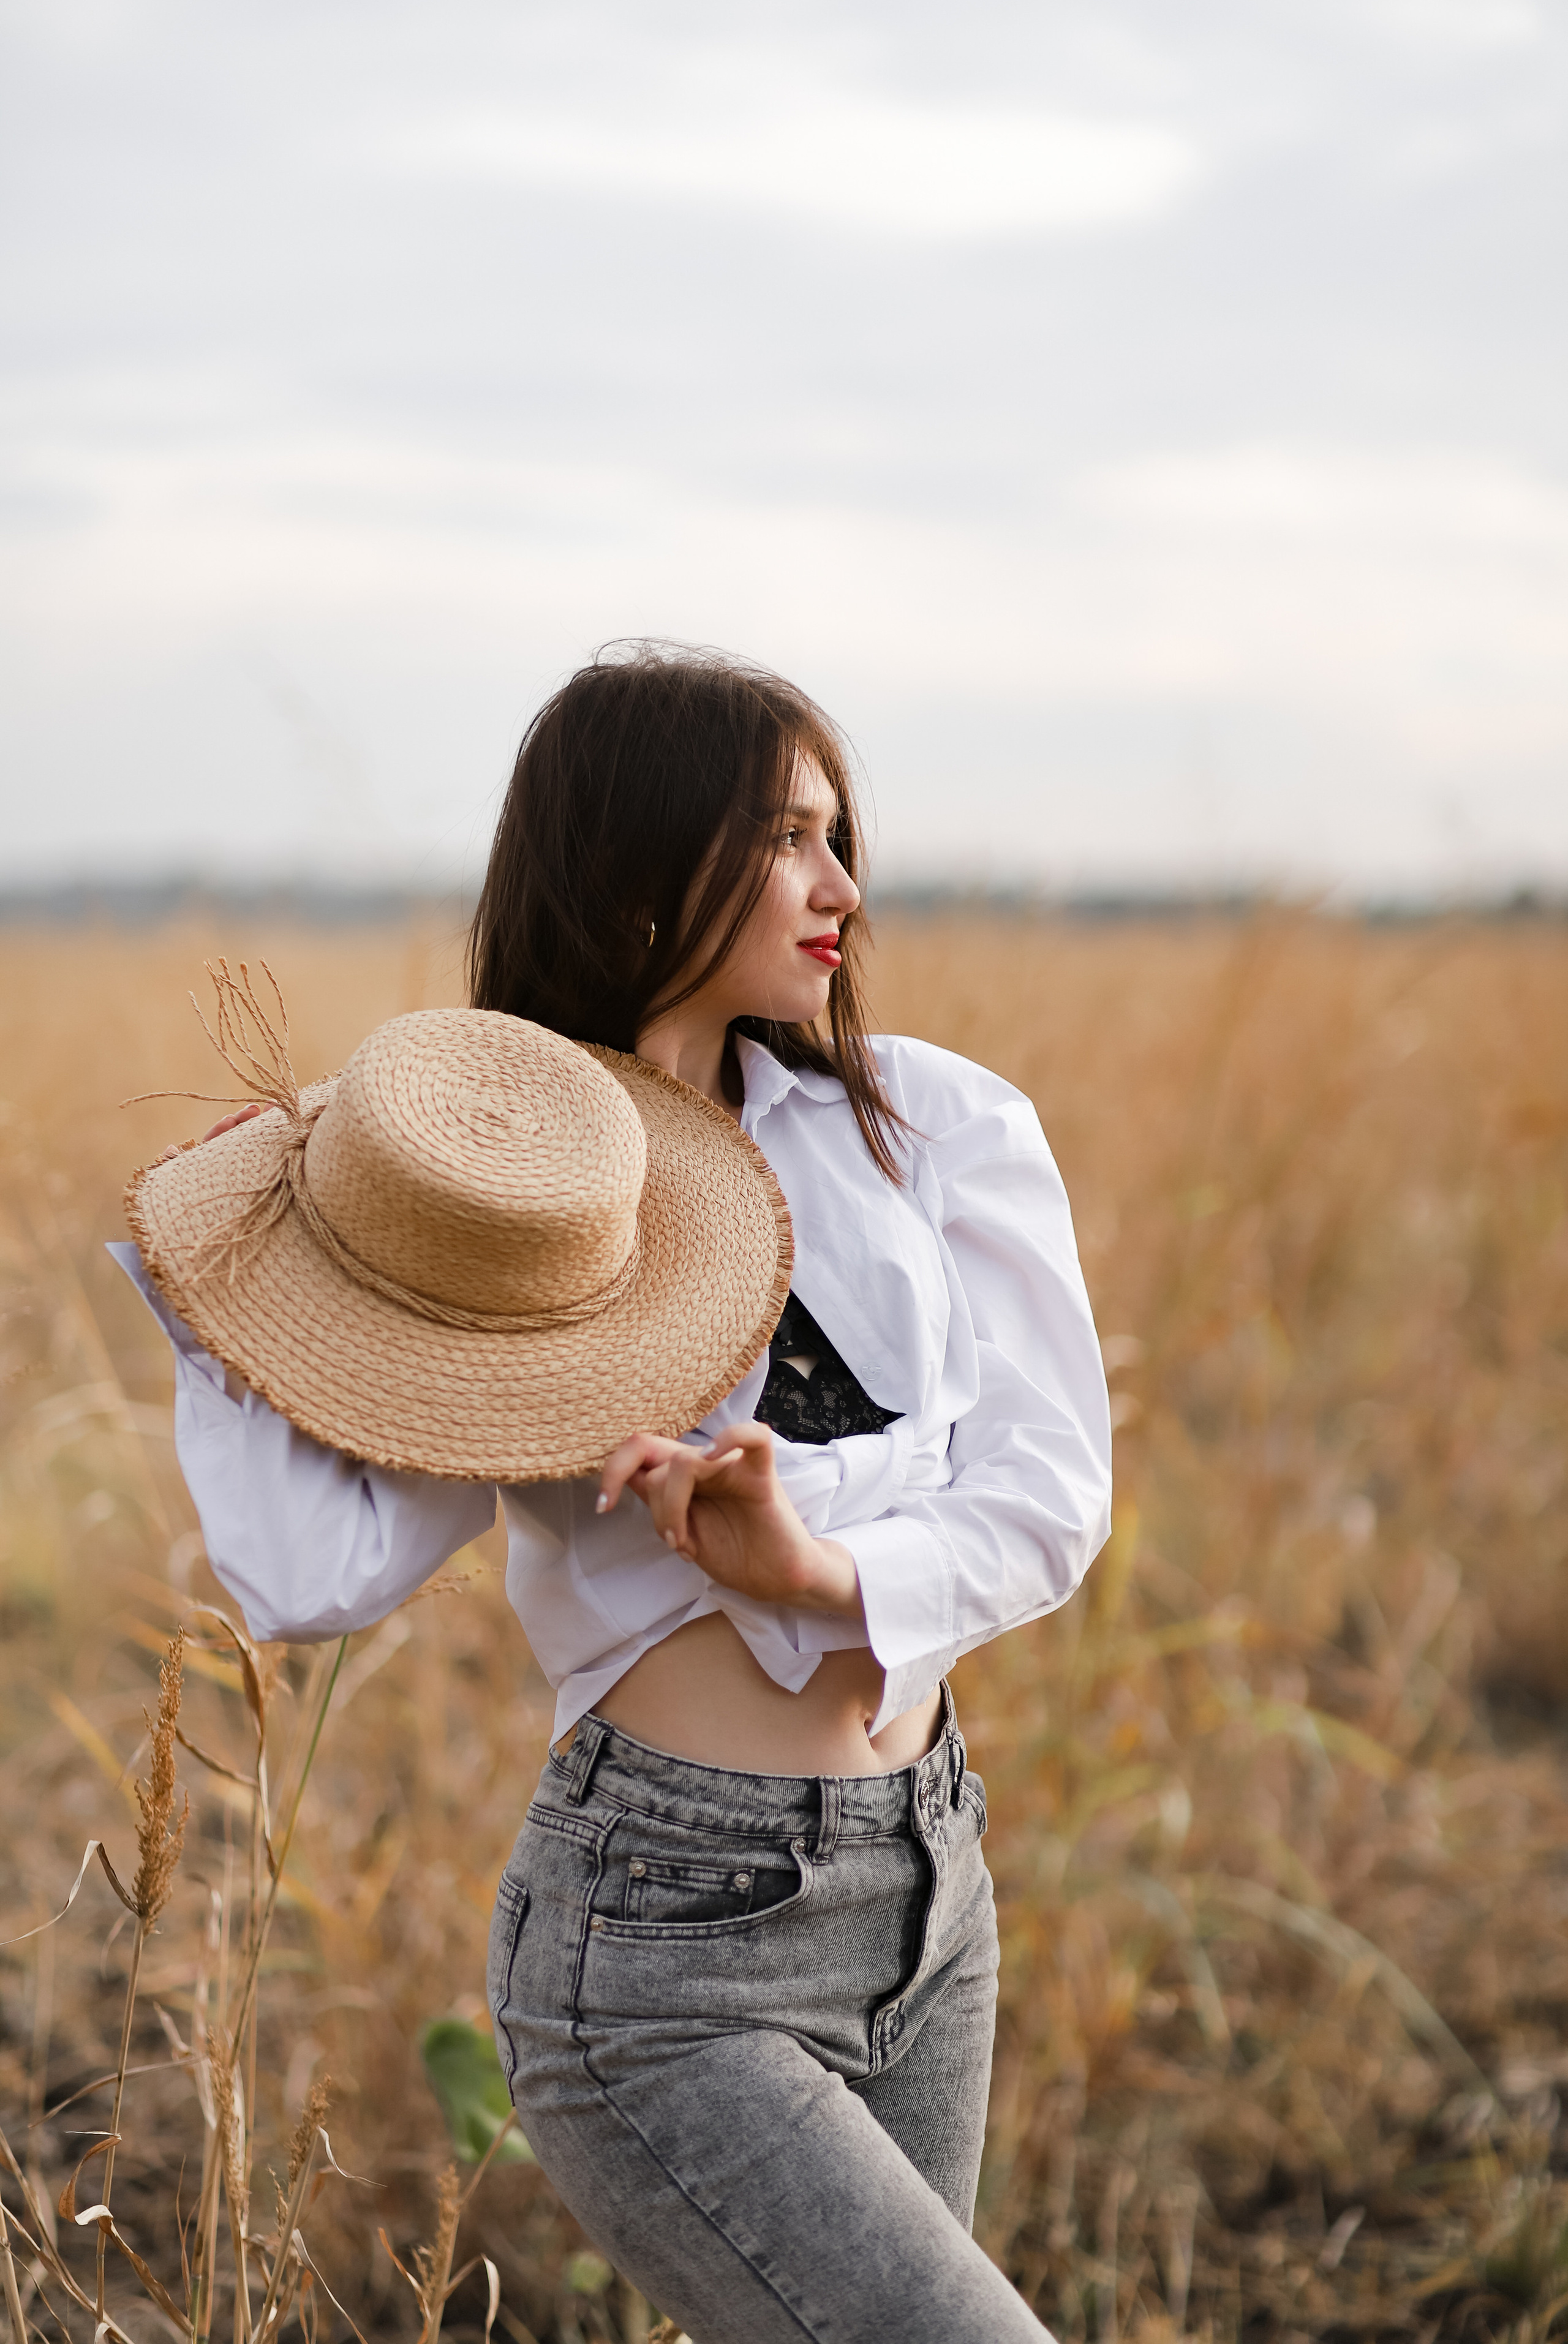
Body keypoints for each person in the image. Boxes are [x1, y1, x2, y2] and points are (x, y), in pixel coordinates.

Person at [115, 644, 1112, 2344]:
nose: (842, 892)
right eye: (790, 841)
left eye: (839, 837)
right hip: (664, 1948)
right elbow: (315, 1573)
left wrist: (818, 1576)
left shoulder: (929, 1127)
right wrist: (229, 1301)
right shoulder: (514, 1205)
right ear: (655, 859)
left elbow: (1052, 1495)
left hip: (927, 1886)